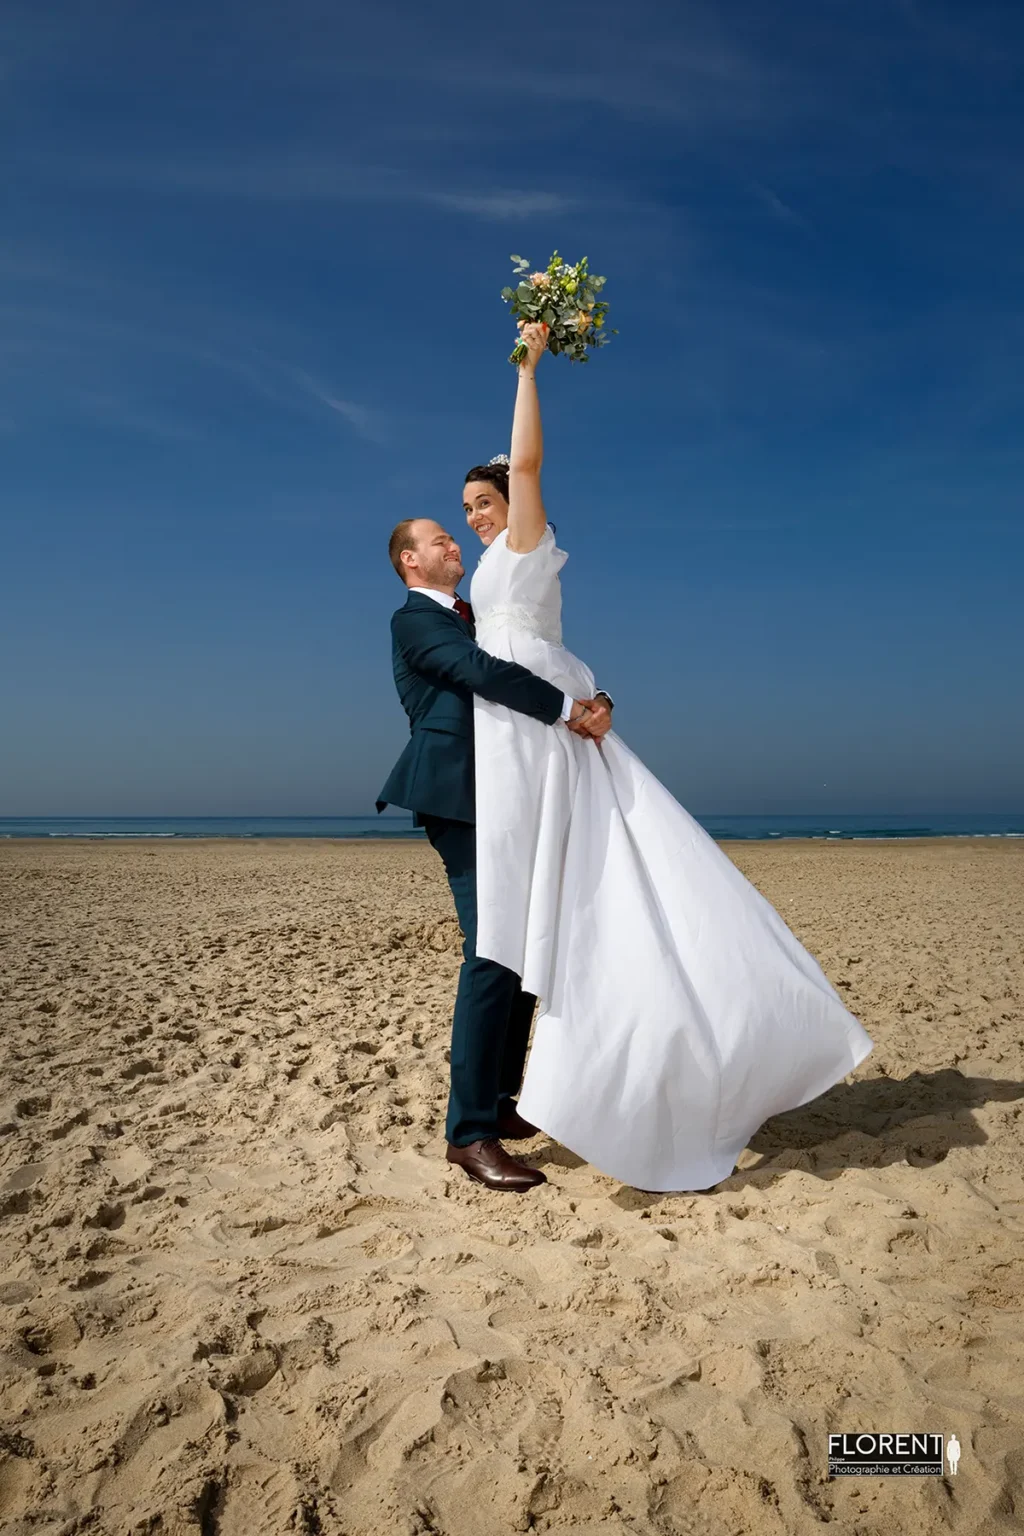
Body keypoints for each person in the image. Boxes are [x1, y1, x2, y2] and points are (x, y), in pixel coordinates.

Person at [458, 320, 873, 1193]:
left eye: (483, 503)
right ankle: (523, 1093)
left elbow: (526, 467)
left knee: (569, 896)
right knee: (534, 907)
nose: (476, 516)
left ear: (516, 506)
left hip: (537, 737)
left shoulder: (525, 549)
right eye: (467, 511)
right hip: (512, 735)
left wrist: (529, 368)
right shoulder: (490, 578)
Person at [376, 515, 612, 1191]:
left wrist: (598, 699)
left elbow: (537, 653)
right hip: (461, 798)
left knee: (526, 951)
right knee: (492, 954)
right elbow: (478, 671)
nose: (454, 543)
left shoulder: (485, 614)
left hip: (520, 796)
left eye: (455, 535)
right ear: (410, 563)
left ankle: (502, 1103)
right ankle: (468, 1134)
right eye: (438, 540)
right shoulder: (413, 621)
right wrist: (565, 710)